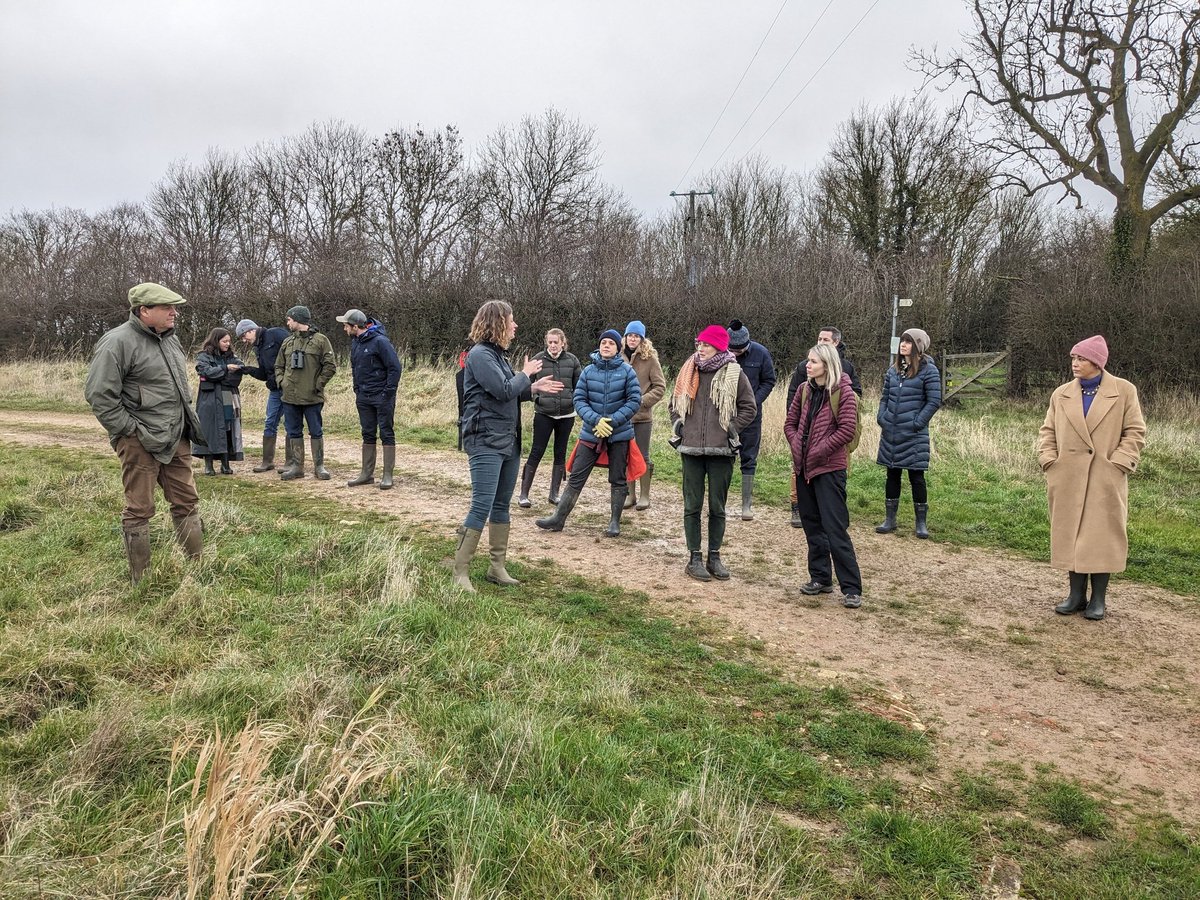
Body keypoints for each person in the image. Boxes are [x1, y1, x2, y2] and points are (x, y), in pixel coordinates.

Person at [83, 283, 205, 583]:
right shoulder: (117, 342)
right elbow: (100, 395)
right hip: (139, 441)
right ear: (144, 311)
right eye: (167, 308)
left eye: (174, 307)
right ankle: (142, 581)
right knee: (139, 509)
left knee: (187, 502)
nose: (174, 313)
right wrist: (129, 432)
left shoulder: (171, 341)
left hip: (176, 437)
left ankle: (198, 570)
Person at [454, 300, 563, 592]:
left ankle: (496, 567)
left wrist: (531, 389)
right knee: (482, 504)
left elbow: (508, 391)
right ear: (498, 323)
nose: (515, 326)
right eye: (511, 321)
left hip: (508, 440)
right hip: (485, 439)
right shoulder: (479, 355)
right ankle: (460, 571)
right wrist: (525, 374)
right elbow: (503, 390)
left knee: (501, 504)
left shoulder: (499, 357)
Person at [1038, 335, 1146, 621]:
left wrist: (1119, 464)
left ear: (1097, 362)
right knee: (1071, 533)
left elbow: (1135, 431)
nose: (1075, 364)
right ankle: (1075, 596)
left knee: (1101, 536)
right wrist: (1049, 460)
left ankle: (1098, 599)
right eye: (1073, 358)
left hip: (1104, 477)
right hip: (1068, 476)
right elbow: (1047, 430)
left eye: (1081, 359)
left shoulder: (1124, 391)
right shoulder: (1061, 394)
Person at [669, 325, 757, 581]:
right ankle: (694, 557)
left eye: (706, 345)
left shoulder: (735, 373)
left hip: (722, 450)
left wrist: (732, 428)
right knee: (692, 505)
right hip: (691, 449)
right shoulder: (689, 370)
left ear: (719, 347)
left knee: (717, 507)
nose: (700, 348)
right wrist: (679, 425)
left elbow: (749, 408)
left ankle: (714, 557)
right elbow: (674, 403)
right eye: (699, 344)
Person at [536, 329, 641, 537]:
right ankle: (558, 519)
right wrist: (595, 420)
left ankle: (614, 522)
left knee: (618, 478)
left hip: (619, 433)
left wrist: (612, 421)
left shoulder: (628, 372)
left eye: (611, 343)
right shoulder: (588, 371)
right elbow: (579, 399)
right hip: (591, 433)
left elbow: (634, 401)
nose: (606, 346)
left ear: (618, 347)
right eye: (604, 343)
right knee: (576, 475)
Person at [784, 343, 864, 608]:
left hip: (830, 469)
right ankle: (820, 578)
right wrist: (797, 445)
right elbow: (790, 422)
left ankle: (851, 588)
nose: (808, 365)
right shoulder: (805, 390)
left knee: (835, 528)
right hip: (803, 468)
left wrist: (818, 450)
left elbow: (846, 430)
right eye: (808, 360)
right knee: (811, 525)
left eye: (813, 361)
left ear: (827, 365)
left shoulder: (844, 393)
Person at [786, 325, 862, 527]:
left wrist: (821, 448)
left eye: (825, 340)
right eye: (819, 338)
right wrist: (796, 439)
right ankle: (797, 507)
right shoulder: (804, 372)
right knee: (811, 523)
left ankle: (832, 517)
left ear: (835, 343)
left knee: (833, 520)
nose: (820, 342)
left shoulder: (846, 371)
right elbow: (793, 398)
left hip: (831, 451)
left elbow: (851, 413)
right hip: (804, 442)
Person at [875, 328, 942, 538]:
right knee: (892, 474)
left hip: (913, 434)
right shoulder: (893, 370)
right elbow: (884, 397)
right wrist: (882, 418)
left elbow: (933, 401)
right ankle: (890, 519)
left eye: (908, 341)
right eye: (902, 341)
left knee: (916, 477)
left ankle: (921, 523)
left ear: (918, 346)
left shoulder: (928, 370)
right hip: (891, 432)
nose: (903, 344)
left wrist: (916, 423)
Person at [338, 308, 403, 490]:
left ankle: (387, 475)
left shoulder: (380, 342)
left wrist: (388, 392)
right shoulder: (355, 343)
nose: (344, 329)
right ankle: (366, 474)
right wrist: (357, 389)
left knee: (386, 432)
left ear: (355, 326)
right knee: (367, 433)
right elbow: (354, 367)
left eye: (346, 326)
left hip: (382, 397)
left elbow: (395, 368)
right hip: (363, 396)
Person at [518, 328, 581, 508]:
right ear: (547, 342)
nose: (553, 345)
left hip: (566, 414)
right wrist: (537, 398)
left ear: (563, 342)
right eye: (550, 342)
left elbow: (580, 386)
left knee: (560, 453)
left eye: (556, 342)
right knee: (537, 451)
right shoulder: (537, 359)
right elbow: (526, 385)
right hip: (544, 414)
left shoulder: (573, 360)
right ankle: (523, 494)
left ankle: (554, 494)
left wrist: (573, 401)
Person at [274, 306, 337, 481]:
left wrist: (318, 384)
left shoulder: (321, 341)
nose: (287, 323)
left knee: (316, 431)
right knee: (293, 431)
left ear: (297, 320)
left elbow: (330, 366)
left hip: (312, 396)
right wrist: (282, 382)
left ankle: (319, 466)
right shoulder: (287, 342)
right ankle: (297, 467)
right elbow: (278, 366)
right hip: (290, 396)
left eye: (289, 319)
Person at [726, 319, 776, 520]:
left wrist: (753, 402)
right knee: (724, 455)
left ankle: (746, 505)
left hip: (752, 417)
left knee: (749, 458)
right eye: (732, 349)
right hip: (726, 414)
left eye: (739, 350)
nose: (735, 353)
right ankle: (720, 501)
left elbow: (769, 380)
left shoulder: (761, 353)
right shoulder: (722, 354)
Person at [622, 320, 667, 510]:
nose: (632, 339)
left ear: (642, 339)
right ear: (625, 337)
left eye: (636, 336)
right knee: (625, 455)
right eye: (630, 335)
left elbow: (660, 387)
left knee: (642, 455)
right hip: (622, 416)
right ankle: (629, 495)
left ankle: (644, 496)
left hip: (642, 417)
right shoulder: (618, 356)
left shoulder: (650, 359)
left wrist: (642, 400)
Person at [235, 318, 290, 473]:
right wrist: (247, 370)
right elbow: (265, 373)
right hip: (274, 390)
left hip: (289, 387)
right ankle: (267, 461)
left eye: (244, 336)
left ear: (251, 330)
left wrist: (286, 378)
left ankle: (291, 461)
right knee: (270, 422)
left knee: (290, 424)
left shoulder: (276, 334)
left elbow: (293, 354)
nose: (244, 341)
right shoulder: (257, 348)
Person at [191, 327, 245, 476]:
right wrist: (225, 369)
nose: (228, 344)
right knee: (208, 429)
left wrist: (218, 375)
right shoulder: (203, 356)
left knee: (228, 427)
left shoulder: (232, 356)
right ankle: (208, 465)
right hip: (209, 399)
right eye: (224, 341)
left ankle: (225, 463)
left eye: (229, 341)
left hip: (227, 396)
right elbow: (205, 371)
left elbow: (238, 372)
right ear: (216, 340)